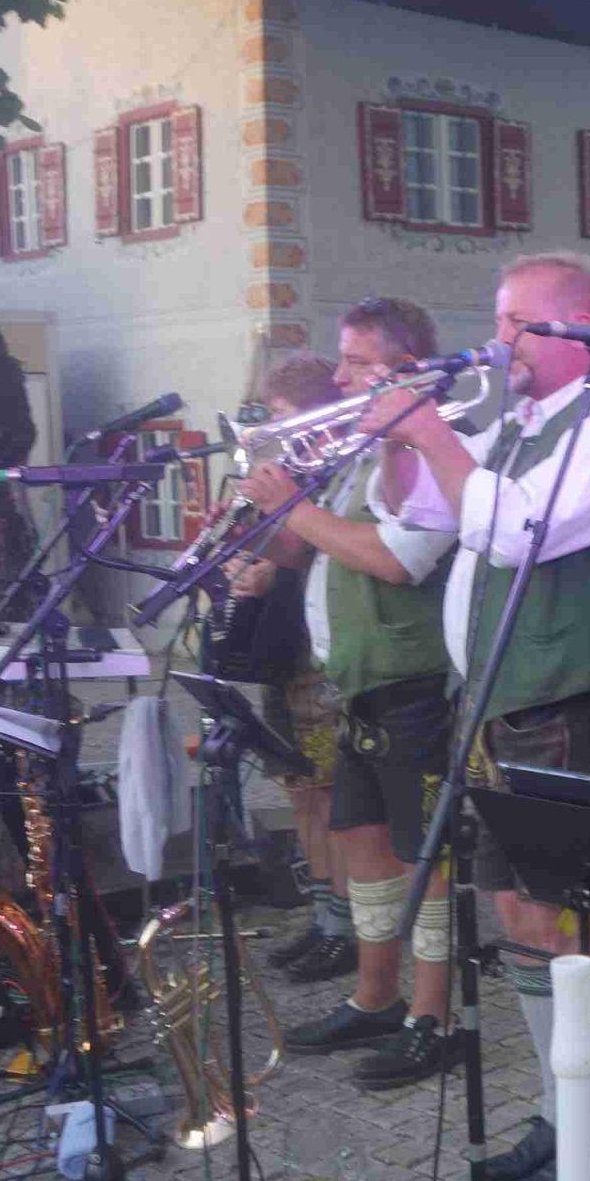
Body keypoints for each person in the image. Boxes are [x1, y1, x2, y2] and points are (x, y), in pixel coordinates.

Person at [367, 252, 590, 1181]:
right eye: (500, 321)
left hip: (569, 704)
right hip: (502, 708)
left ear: (574, 330)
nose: (498, 342)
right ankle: (560, 1114)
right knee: (521, 919)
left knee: (563, 918)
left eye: (516, 324)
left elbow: (514, 533)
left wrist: (429, 431)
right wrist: (397, 443)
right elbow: (420, 512)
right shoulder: (514, 429)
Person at [243, 299, 463, 1089]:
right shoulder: (361, 452)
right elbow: (307, 548)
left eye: (356, 362)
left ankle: (433, 1018)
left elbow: (397, 559)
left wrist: (295, 507)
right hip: (359, 684)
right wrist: (262, 509)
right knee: (363, 845)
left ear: (404, 369)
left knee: (424, 858)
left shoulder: (439, 451)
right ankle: (375, 996)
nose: (338, 378)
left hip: (415, 684)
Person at [223, 356, 347, 986]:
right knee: (299, 791)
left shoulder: (338, 470)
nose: (269, 429)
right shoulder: (293, 474)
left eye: (279, 416)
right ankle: (323, 916)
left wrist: (273, 565)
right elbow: (285, 552)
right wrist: (245, 558)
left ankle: (345, 925)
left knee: (329, 795)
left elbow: (316, 551)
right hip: (282, 651)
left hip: (321, 661)